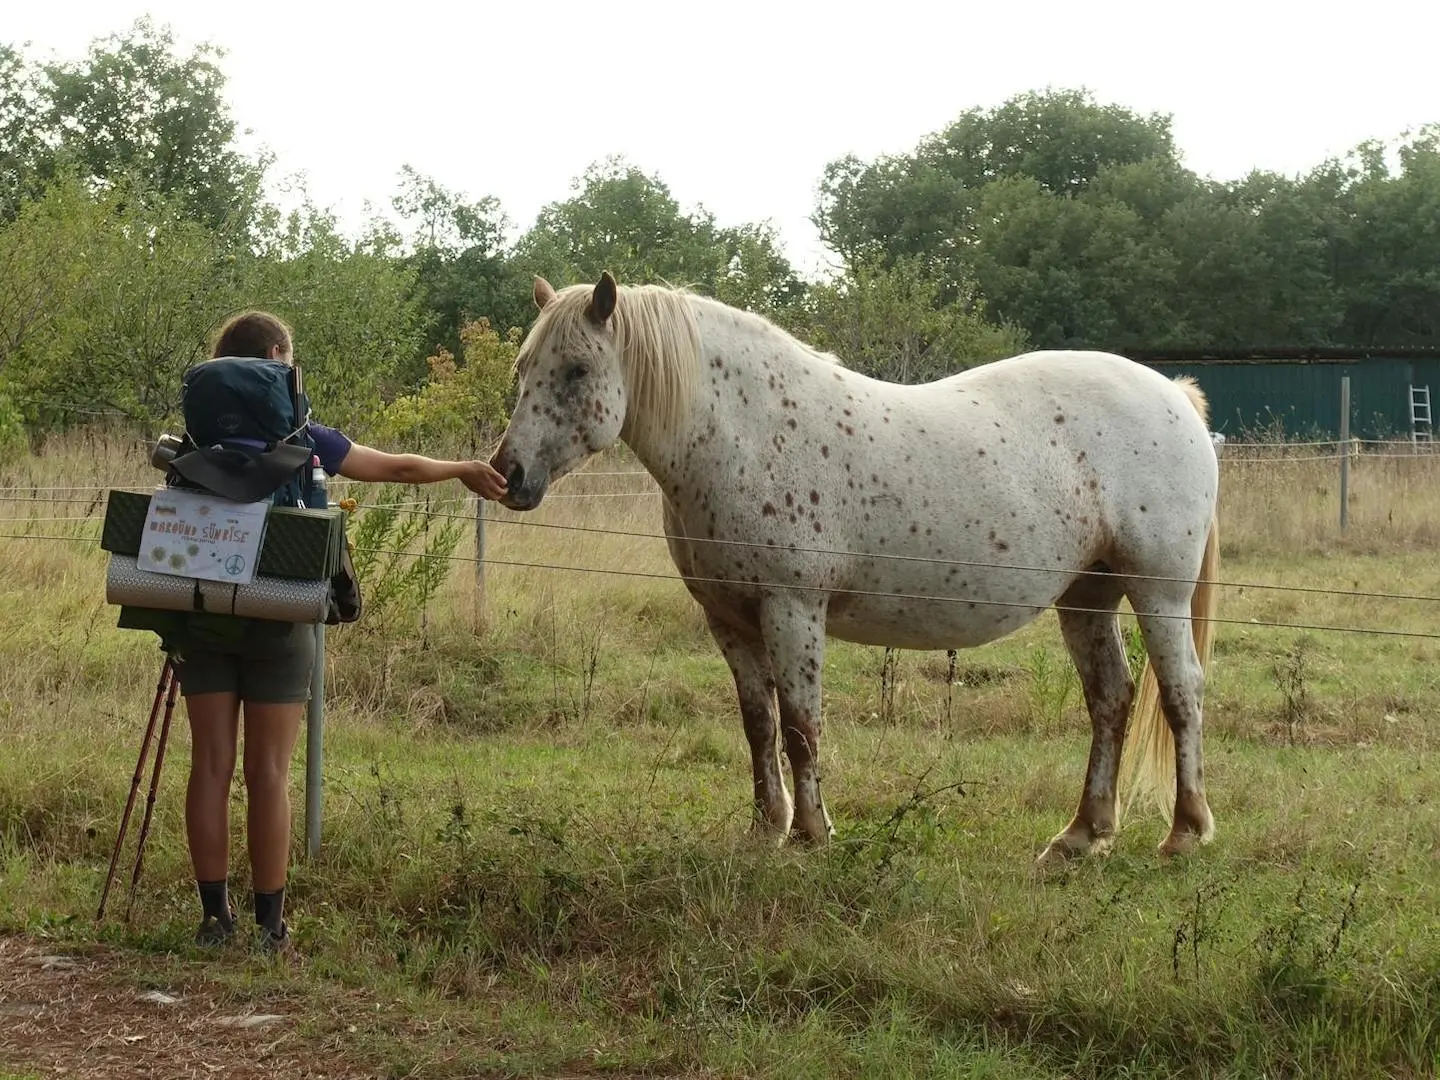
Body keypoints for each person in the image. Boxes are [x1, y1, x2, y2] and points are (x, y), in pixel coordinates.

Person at [175, 310, 506, 955]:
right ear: (277, 357)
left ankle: (214, 920)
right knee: (269, 771)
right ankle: (271, 927)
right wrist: (463, 466)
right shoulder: (305, 437)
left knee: (209, 767)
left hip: (201, 613)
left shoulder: (192, 442)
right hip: (280, 615)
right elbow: (400, 469)